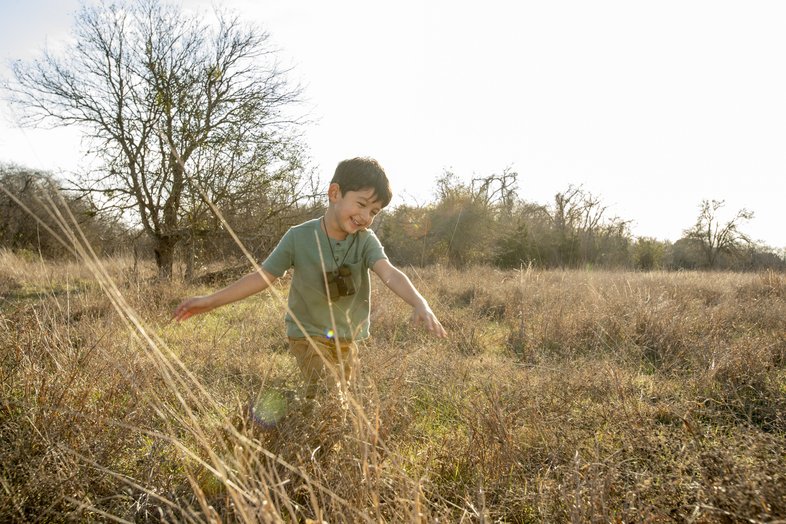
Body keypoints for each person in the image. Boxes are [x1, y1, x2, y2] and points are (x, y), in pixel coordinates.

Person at [173, 157, 447, 399]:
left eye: (374, 212)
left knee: (337, 399)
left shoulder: (365, 241)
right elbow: (263, 277)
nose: (365, 217)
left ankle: (303, 421)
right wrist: (211, 301)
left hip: (347, 338)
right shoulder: (298, 236)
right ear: (334, 192)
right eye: (361, 204)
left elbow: (389, 273)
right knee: (331, 397)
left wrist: (420, 302)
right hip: (307, 335)